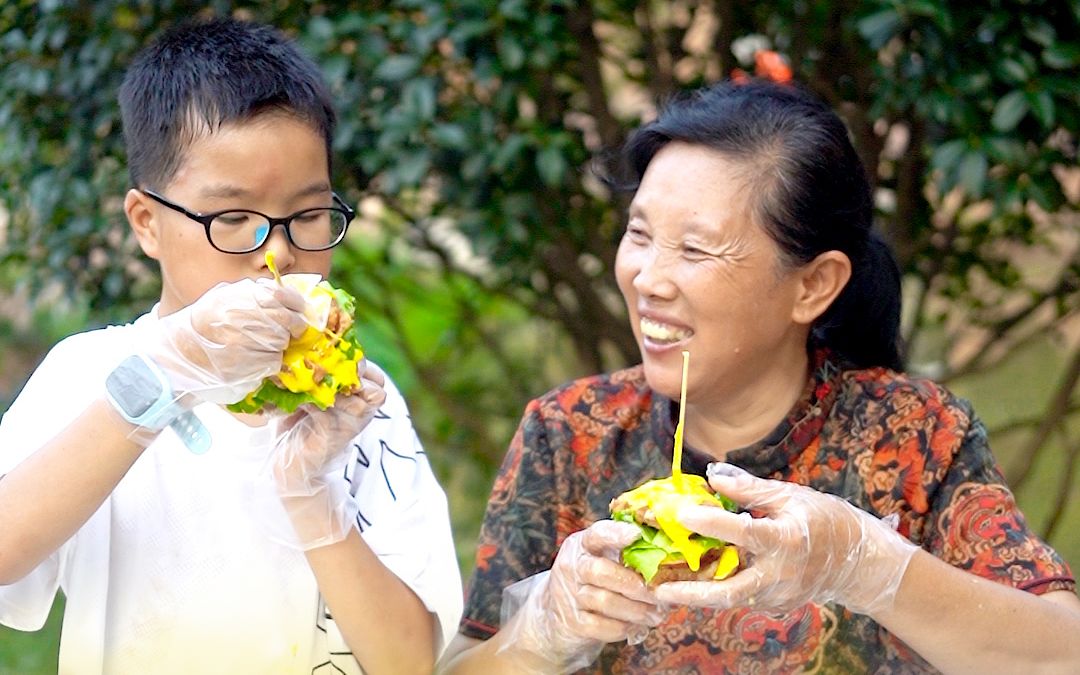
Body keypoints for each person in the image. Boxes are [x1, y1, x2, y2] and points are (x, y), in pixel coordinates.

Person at [438, 80, 1080, 673]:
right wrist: (542, 633)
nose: (648, 279)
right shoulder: (569, 432)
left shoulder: (917, 435)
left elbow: (1062, 653)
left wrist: (868, 568)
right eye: (640, 235)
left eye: (694, 249)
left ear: (813, 285)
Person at [0, 18, 462, 675]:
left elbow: (410, 661)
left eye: (307, 215)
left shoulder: (363, 406)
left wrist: (312, 496)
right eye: (233, 219)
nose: (277, 252)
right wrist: (159, 378)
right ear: (148, 223)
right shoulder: (90, 374)